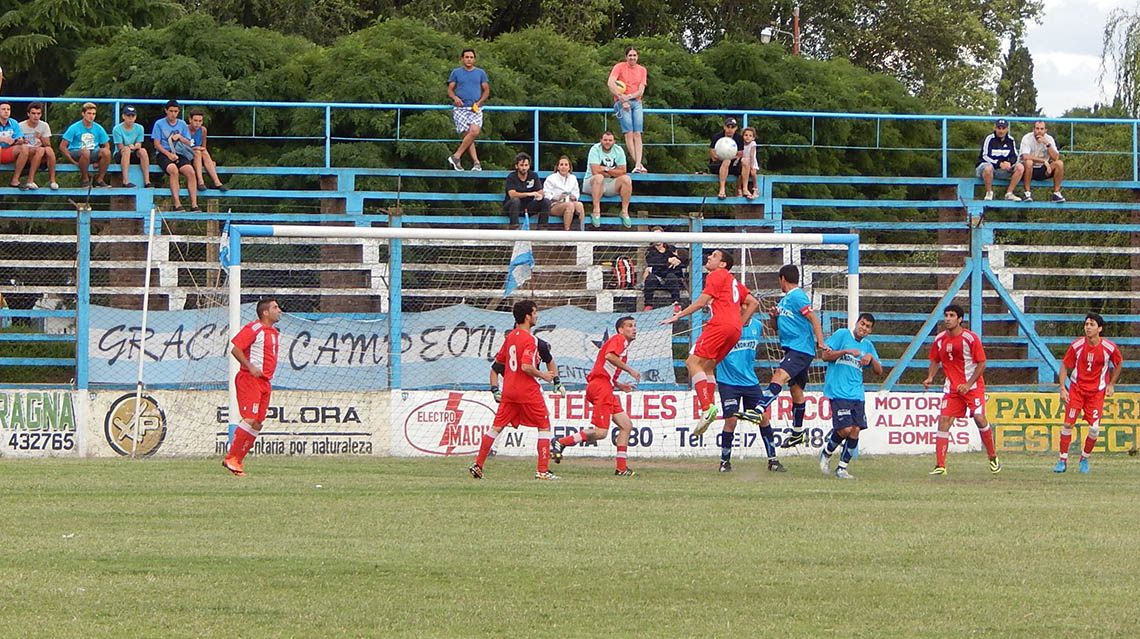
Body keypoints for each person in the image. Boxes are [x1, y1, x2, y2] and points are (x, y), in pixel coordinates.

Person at [661, 249, 760, 436]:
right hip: (735, 331)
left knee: (692, 363)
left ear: (723, 264)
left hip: (720, 325)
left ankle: (707, 408)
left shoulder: (716, 275)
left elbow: (701, 303)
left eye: (714, 256)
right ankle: (711, 406)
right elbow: (753, 302)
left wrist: (678, 316)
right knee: (707, 367)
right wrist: (741, 321)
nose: (708, 257)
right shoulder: (733, 282)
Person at [470, 300, 560, 481]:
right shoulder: (531, 340)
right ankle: (542, 471)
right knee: (544, 426)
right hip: (527, 390)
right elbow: (527, 366)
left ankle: (478, 465)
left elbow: (499, 363)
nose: (537, 316)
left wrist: (496, 388)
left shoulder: (510, 337)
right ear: (527, 316)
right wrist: (544, 375)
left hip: (509, 390)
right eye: (535, 313)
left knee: (495, 428)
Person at [550, 316, 641, 476]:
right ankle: (561, 442)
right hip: (601, 387)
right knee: (601, 433)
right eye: (629, 326)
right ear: (620, 329)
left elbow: (606, 366)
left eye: (634, 326)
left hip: (605, 386)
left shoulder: (623, 345)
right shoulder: (619, 339)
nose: (633, 329)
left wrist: (620, 385)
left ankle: (621, 468)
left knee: (626, 425)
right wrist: (630, 370)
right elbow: (609, 356)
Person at [750, 264, 829, 448]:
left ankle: (760, 407)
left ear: (782, 278)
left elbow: (813, 318)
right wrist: (774, 317)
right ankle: (797, 433)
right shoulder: (784, 301)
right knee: (795, 390)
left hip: (800, 349)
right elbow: (775, 328)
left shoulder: (797, 295)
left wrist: (821, 341)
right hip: (792, 348)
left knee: (779, 375)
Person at [921, 304, 1001, 476]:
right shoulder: (940, 339)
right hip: (952, 388)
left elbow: (982, 364)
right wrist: (930, 377)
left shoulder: (970, 339)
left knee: (979, 418)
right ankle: (940, 465)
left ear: (960, 319)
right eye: (946, 315)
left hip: (973, 387)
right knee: (944, 421)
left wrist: (968, 382)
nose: (947, 319)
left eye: (951, 315)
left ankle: (992, 456)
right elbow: (935, 360)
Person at [714, 315, 785, 473]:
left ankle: (772, 460)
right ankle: (725, 462)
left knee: (762, 417)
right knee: (731, 420)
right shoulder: (727, 325)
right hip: (728, 381)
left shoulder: (757, 325)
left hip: (750, 381)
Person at [1054, 312, 1123, 474]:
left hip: (1096, 393)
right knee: (1068, 424)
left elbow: (1119, 363)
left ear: (1099, 328)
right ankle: (1062, 460)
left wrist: (1111, 384)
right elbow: (1065, 365)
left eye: (1092, 325)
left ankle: (1084, 458)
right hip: (1077, 390)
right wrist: (1063, 388)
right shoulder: (1077, 345)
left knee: (1094, 429)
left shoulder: (1109, 347)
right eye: (1086, 324)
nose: (1088, 327)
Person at [818, 313, 883, 480]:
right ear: (856, 323)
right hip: (839, 391)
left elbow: (879, 372)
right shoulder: (842, 334)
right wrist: (845, 351)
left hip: (857, 394)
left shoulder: (868, 346)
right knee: (845, 429)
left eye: (868, 326)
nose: (864, 328)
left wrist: (871, 359)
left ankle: (842, 468)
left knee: (855, 430)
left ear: (870, 331)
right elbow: (825, 356)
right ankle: (826, 453)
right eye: (862, 324)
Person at [223, 299, 282, 477]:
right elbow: (235, 349)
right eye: (275, 307)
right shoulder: (254, 329)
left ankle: (237, 461)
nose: (279, 310)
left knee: (257, 424)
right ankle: (231, 457)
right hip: (249, 379)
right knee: (249, 419)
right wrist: (250, 367)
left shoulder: (273, 332)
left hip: (265, 382)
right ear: (265, 312)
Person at [151, 99, 199, 212]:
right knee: (173, 170)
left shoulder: (182, 124)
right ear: (166, 111)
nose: (173, 114)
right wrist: (169, 154)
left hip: (179, 152)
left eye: (176, 111)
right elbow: (157, 145)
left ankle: (194, 204)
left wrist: (180, 137)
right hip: (164, 153)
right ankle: (177, 204)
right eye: (171, 111)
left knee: (190, 171)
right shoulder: (159, 124)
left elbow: (189, 142)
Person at [446, 48, 489, 172]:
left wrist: (479, 102)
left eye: (471, 57)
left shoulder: (480, 73)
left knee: (474, 132)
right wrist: (455, 98)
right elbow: (450, 90)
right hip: (461, 109)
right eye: (466, 57)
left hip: (475, 108)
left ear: (474, 59)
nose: (469, 59)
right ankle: (476, 163)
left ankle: (456, 156)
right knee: (468, 136)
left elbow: (486, 90)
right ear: (462, 59)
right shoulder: (456, 72)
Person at [607, 46, 647, 174]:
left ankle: (638, 164)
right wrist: (621, 99)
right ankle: (638, 164)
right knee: (629, 132)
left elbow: (641, 90)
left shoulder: (642, 70)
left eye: (634, 55)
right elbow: (610, 83)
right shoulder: (619, 67)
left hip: (636, 102)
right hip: (621, 102)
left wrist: (629, 97)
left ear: (637, 57)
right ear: (626, 57)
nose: (632, 57)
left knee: (637, 133)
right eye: (630, 55)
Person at [583, 131, 633, 228]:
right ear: (601, 140)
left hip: (609, 184)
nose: (607, 142)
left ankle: (624, 212)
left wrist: (605, 169)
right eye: (605, 140)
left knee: (626, 179)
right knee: (599, 177)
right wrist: (614, 171)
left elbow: (623, 171)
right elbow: (595, 170)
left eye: (610, 140)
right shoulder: (595, 149)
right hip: (591, 184)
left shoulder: (618, 150)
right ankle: (596, 211)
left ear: (614, 141)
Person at [490, 336, 565, 400]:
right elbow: (495, 369)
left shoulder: (540, 345)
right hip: (508, 381)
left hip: (530, 381)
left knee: (539, 410)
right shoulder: (510, 347)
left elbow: (549, 361)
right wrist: (495, 389)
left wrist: (556, 381)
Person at [59, 102, 111, 188]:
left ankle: (100, 180)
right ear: (83, 114)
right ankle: (85, 180)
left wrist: (99, 162)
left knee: (106, 152)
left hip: (93, 152)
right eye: (89, 113)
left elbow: (106, 145)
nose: (91, 116)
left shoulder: (98, 128)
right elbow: (62, 146)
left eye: (94, 114)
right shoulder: (74, 127)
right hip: (76, 151)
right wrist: (72, 161)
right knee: (85, 152)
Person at [975, 118, 1024, 201]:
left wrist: (1009, 163)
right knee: (988, 167)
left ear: (1007, 129)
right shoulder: (989, 138)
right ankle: (989, 192)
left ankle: (1009, 193)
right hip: (986, 169)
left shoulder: (1011, 140)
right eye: (999, 128)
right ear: (995, 128)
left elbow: (1015, 156)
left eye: (1003, 128)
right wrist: (999, 163)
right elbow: (984, 156)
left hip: (1002, 170)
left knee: (1020, 167)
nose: (1001, 131)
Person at [642, 226, 687, 312]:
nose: (658, 238)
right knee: (650, 278)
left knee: (671, 276)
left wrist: (677, 261)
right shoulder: (649, 251)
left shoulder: (672, 249)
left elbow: (684, 259)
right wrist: (668, 260)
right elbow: (653, 262)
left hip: (671, 280)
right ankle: (648, 305)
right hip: (657, 279)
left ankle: (676, 304)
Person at [1020, 120, 1065, 202]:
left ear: (1045, 130)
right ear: (1033, 129)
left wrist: (1047, 144)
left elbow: (1056, 157)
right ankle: (1027, 193)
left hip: (1043, 169)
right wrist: (1044, 161)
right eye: (1037, 128)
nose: (1039, 131)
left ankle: (1056, 193)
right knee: (1029, 162)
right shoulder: (1027, 138)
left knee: (1059, 164)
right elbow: (1025, 156)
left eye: (1041, 129)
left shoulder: (1049, 139)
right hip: (1028, 169)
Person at [503, 152, 550, 228]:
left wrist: (539, 196)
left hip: (528, 206)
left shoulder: (533, 175)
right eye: (521, 165)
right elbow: (512, 194)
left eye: (526, 165)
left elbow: (540, 191)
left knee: (546, 202)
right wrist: (529, 194)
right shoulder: (511, 177)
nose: (524, 168)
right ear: (516, 166)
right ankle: (514, 229)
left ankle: (542, 229)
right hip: (512, 207)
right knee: (515, 201)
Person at [19, 102, 59, 190]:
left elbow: (48, 144)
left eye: (38, 114)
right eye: (33, 113)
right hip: (26, 154)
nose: (36, 116)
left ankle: (52, 181)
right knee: (40, 150)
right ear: (28, 114)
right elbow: (17, 143)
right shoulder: (20, 126)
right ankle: (30, 180)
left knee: (49, 150)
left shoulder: (44, 125)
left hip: (40, 154)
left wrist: (41, 137)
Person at [186, 109, 227, 191]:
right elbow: (182, 146)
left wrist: (210, 160)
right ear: (190, 120)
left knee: (203, 152)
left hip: (198, 155)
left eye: (200, 121)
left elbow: (204, 147)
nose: (197, 123)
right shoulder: (185, 129)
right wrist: (195, 148)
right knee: (198, 152)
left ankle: (217, 182)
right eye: (195, 120)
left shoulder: (203, 130)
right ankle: (200, 181)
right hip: (187, 154)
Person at [111, 106, 151, 189]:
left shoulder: (140, 128)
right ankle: (125, 181)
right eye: (128, 116)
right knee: (126, 150)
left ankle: (147, 181)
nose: (130, 118)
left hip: (134, 152)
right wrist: (129, 147)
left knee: (143, 151)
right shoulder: (117, 129)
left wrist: (135, 147)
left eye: (133, 116)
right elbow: (120, 147)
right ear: (123, 116)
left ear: (135, 117)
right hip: (121, 154)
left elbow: (139, 144)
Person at [543, 155, 584, 231]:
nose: (563, 167)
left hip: (569, 202)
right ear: (558, 167)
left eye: (566, 165)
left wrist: (573, 197)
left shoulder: (573, 178)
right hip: (554, 205)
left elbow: (576, 192)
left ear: (569, 167)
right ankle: (567, 232)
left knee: (579, 205)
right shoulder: (551, 178)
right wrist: (557, 197)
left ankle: (579, 232)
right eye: (561, 165)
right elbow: (546, 194)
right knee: (570, 205)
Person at [709, 117, 744, 200]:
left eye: (732, 127)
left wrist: (730, 158)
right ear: (724, 127)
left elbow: (740, 154)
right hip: (717, 164)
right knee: (726, 161)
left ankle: (742, 189)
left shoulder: (739, 138)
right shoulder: (717, 137)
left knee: (744, 162)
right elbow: (713, 155)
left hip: (733, 164)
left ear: (736, 128)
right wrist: (724, 158)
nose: (730, 130)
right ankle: (722, 189)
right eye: (728, 127)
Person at [0, 101, 30, 189]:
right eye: (3, 109)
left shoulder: (14, 123)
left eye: (8, 109)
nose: (6, 111)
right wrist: (3, 139)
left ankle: (15, 180)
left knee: (24, 148)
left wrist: (19, 141)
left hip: (8, 152)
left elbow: (18, 138)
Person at [740, 126, 759, 199]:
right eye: (746, 135)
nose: (748, 137)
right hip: (743, 161)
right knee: (740, 174)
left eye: (750, 136)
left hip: (752, 161)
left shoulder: (753, 144)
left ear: (753, 138)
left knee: (753, 173)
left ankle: (755, 188)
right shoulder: (741, 144)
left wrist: (752, 166)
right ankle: (740, 189)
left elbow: (752, 155)